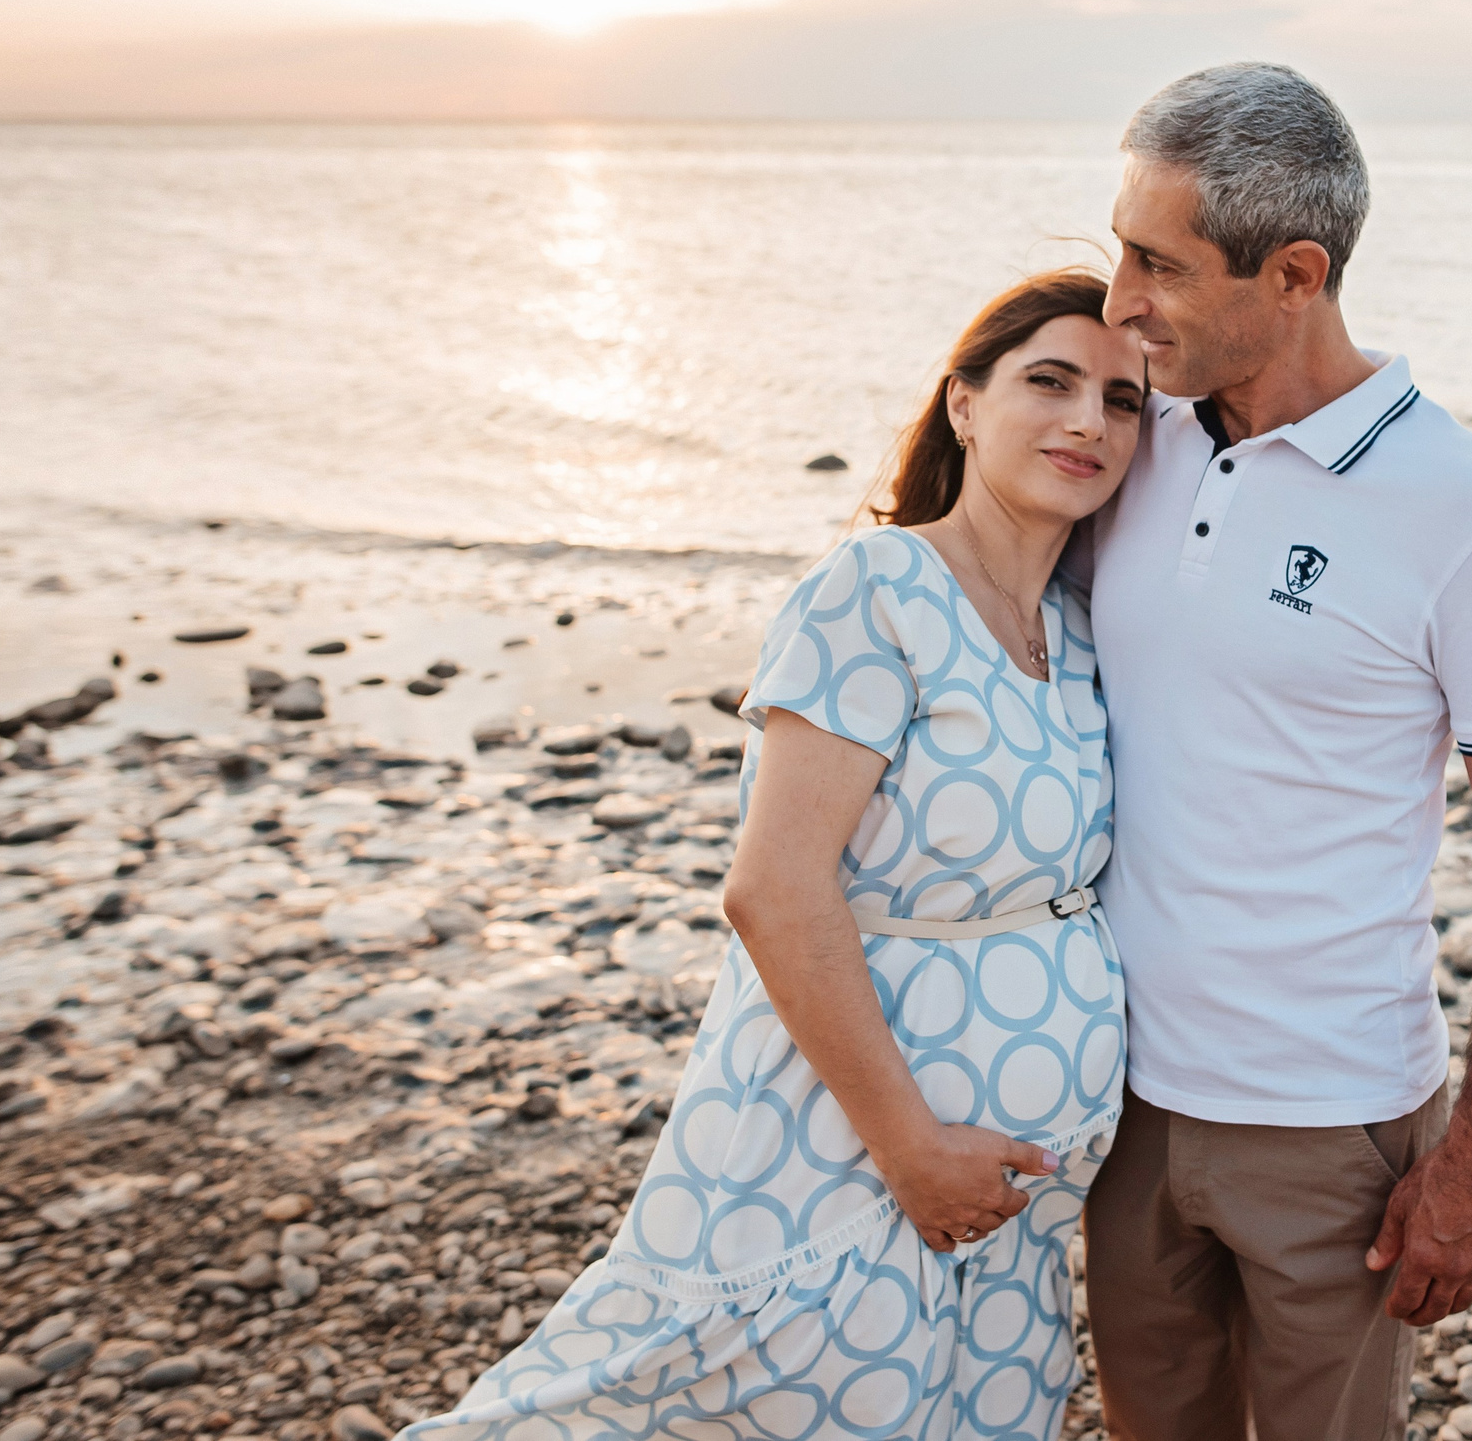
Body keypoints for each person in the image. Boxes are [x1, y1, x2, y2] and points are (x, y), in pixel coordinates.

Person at [403, 269, 1145, 1439]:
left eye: (1122, 398)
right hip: (847, 1149)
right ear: (963, 402)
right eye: (1049, 382)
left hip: (1022, 1205)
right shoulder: (878, 589)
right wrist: (909, 1144)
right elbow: (774, 889)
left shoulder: (1081, 629)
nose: (1088, 420)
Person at [1080, 64, 1472, 1440]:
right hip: (1118, 1099)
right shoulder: (1125, 441)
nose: (1120, 302)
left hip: (1329, 1123)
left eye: (1157, 265)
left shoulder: (1465, 508)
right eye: (1120, 251)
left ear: (1295, 274)